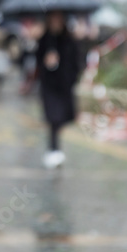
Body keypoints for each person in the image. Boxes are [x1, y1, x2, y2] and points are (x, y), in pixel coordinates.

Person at [34, 10, 82, 169]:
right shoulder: (44, 39)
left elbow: (76, 62)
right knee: (53, 117)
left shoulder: (69, 40)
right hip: (49, 85)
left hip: (64, 85)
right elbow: (37, 61)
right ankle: (53, 148)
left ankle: (55, 148)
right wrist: (46, 63)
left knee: (61, 118)